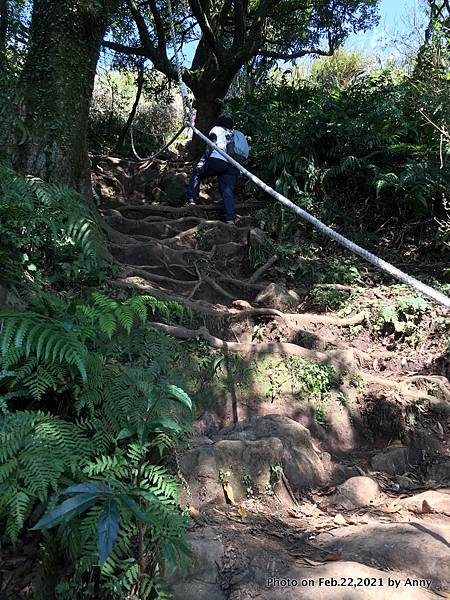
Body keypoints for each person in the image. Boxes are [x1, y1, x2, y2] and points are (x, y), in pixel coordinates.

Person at [186, 114, 239, 224]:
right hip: (233, 165)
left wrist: (201, 163)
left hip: (217, 161)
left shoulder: (216, 129)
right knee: (227, 191)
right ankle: (230, 219)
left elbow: (210, 147)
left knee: (196, 172)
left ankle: (191, 200)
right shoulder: (234, 133)